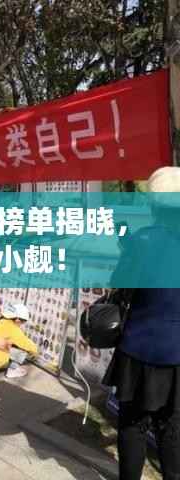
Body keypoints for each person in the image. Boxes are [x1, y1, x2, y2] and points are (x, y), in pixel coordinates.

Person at [103, 166, 180, 480]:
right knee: (172, 428)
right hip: (176, 353)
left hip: (139, 345)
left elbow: (120, 284)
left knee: (133, 425)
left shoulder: (143, 240)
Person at [0, 302, 38, 379]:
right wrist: (35, 353)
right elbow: (28, 345)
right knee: (23, 350)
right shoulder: (14, 329)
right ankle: (13, 370)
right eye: (23, 321)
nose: (22, 324)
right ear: (17, 319)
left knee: (9, 342)